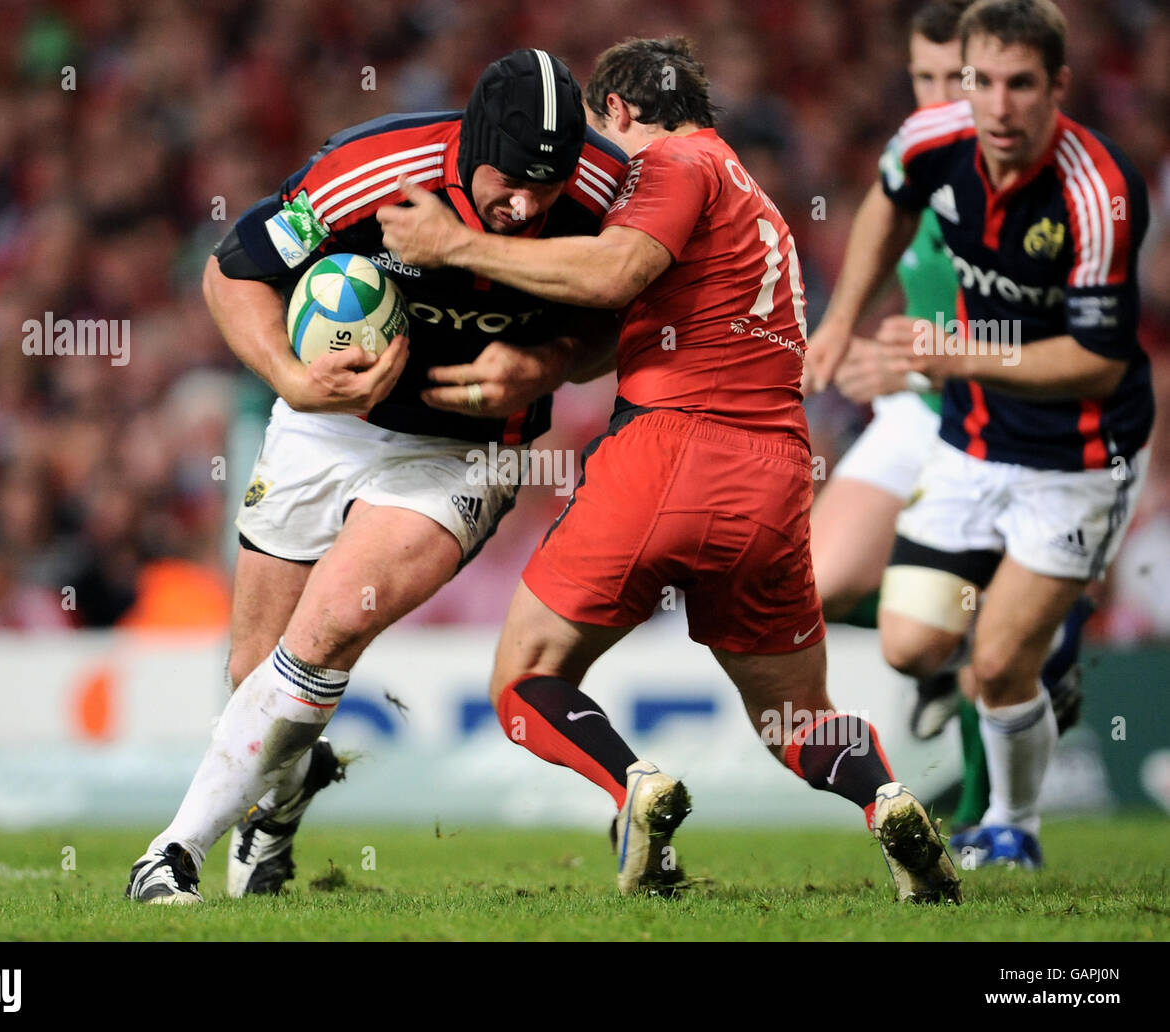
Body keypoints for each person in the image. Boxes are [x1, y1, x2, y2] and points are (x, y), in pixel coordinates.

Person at [379, 36, 962, 902]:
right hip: (775, 476)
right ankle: (884, 800)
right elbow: (633, 313)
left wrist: (455, 247)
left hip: (672, 449)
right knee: (794, 718)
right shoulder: (759, 204)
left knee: (524, 676)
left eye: (591, 131)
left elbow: (617, 270)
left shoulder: (675, 166)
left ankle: (633, 787)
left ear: (618, 113)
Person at [126, 48, 627, 903]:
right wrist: (289, 376)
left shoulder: (605, 198)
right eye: (511, 179)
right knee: (254, 668)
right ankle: (277, 812)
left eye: (548, 188)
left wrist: (548, 365)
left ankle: (170, 855)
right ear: (472, 144)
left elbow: (627, 318)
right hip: (326, 426)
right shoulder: (374, 170)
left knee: (324, 631)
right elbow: (232, 270)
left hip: (465, 449)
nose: (528, 204)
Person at [805, 0, 1152, 869]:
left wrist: (954, 354)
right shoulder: (933, 141)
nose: (1000, 106)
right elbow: (888, 203)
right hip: (969, 442)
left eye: (1022, 85)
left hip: (1074, 457)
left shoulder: (1097, 193)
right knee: (911, 641)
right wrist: (842, 321)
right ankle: (1034, 644)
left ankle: (1013, 825)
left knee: (996, 665)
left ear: (1057, 87)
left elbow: (1100, 362)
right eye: (983, 83)